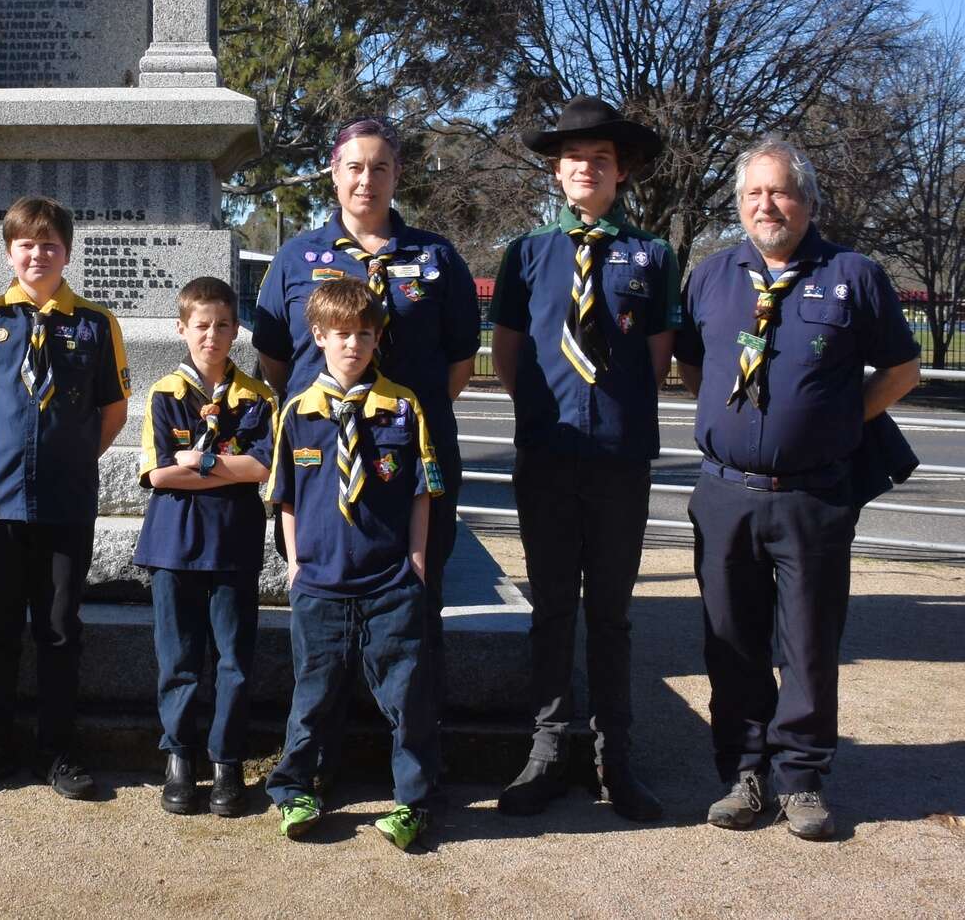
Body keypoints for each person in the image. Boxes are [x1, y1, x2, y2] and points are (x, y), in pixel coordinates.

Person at [675, 137, 920, 840]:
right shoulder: (712, 277)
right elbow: (693, 368)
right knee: (730, 640)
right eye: (754, 194)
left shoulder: (855, 274)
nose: (766, 205)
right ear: (740, 205)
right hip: (724, 494)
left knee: (809, 640)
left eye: (780, 192)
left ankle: (803, 778)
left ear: (808, 201)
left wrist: (838, 419)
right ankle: (745, 772)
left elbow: (901, 372)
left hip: (814, 495)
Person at [252, 117, 479, 796]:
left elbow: (460, 364)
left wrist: (399, 421)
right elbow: (274, 360)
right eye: (353, 166)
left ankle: (413, 774)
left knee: (413, 623)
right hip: (321, 473)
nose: (365, 179)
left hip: (403, 469)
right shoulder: (297, 258)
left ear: (397, 175)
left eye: (379, 167)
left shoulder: (436, 257)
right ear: (333, 173)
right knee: (321, 627)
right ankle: (320, 770)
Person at [488, 94, 675, 822]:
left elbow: (656, 359)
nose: (585, 170)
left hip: (619, 459)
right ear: (557, 173)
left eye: (600, 160)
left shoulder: (652, 254)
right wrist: (547, 413)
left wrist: (607, 412)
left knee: (613, 613)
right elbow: (508, 354)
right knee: (552, 607)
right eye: (573, 160)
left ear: (620, 172)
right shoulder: (527, 253)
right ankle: (546, 751)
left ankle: (614, 756)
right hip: (548, 454)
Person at [0, 196, 130, 800]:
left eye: (50, 244)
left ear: (67, 252)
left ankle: (58, 752)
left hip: (64, 505)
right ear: (9, 252)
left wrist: (69, 460)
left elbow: (113, 410)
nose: (38, 254)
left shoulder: (96, 325)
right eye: (26, 243)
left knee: (57, 631)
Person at [263, 277, 443, 851]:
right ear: (318, 336)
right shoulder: (297, 411)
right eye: (341, 334)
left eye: (364, 333)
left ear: (377, 337)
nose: (353, 345)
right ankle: (294, 788)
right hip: (319, 582)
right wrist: (294, 565)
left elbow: (420, 491)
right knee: (313, 693)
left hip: (390, 581)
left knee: (405, 696)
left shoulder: (402, 405)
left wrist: (415, 561)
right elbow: (285, 497)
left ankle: (413, 801)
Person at [134, 276, 274, 817]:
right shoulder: (165, 394)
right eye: (201, 326)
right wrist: (225, 473)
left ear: (236, 330)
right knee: (179, 658)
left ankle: (227, 760)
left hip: (234, 543)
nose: (211, 336)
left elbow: (260, 468)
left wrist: (204, 462)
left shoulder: (257, 398)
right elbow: (160, 476)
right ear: (182, 329)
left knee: (234, 659)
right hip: (173, 543)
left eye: (221, 326)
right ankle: (180, 758)